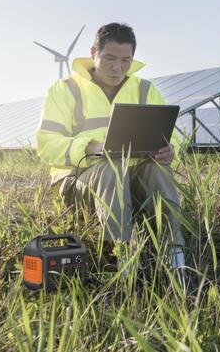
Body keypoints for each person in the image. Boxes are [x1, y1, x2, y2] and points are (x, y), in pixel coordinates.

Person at [36, 23, 186, 275]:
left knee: (158, 172)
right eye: (110, 59)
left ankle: (175, 256)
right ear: (94, 51)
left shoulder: (144, 89)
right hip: (78, 182)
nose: (118, 68)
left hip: (134, 181)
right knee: (112, 166)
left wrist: (171, 150)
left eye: (126, 60)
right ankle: (119, 258)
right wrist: (91, 148)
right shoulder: (65, 89)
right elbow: (46, 144)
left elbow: (173, 136)